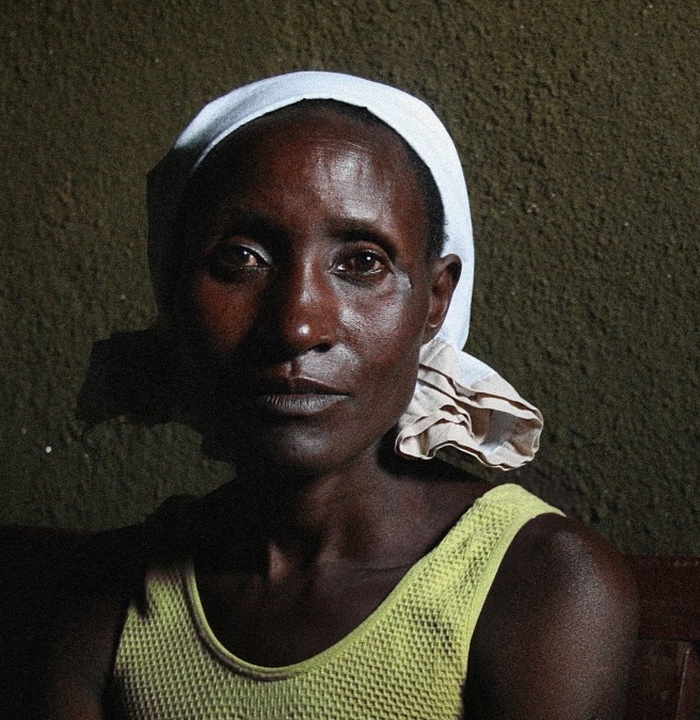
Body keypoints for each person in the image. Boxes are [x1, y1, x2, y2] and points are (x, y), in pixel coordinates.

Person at [39, 72, 639, 720]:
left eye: (362, 262)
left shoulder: (539, 582)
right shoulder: (106, 597)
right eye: (241, 258)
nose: (297, 325)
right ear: (173, 291)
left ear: (434, 302)